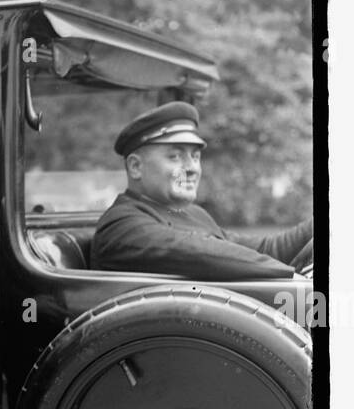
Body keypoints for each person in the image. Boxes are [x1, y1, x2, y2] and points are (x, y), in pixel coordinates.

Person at [90, 101, 312, 280]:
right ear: (136, 167)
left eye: (195, 157)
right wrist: (290, 276)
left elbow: (266, 250)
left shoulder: (193, 213)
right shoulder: (121, 225)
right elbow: (199, 254)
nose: (192, 169)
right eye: (175, 157)